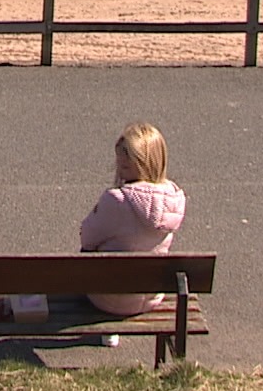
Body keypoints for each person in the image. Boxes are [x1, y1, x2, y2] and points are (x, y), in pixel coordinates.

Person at [78, 121, 187, 332]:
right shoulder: (174, 199)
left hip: (107, 297)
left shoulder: (117, 200)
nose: (119, 169)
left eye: (123, 165)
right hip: (150, 295)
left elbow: (87, 238)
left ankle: (108, 330)